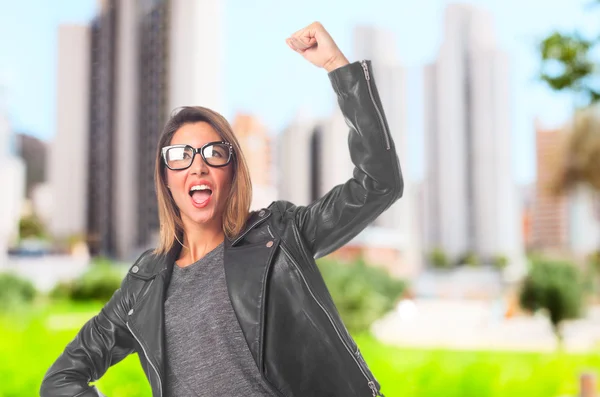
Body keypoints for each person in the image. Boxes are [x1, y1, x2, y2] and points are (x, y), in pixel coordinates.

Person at [40, 22, 403, 397]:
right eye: (180, 156)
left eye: (213, 153)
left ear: (232, 172)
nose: (197, 166)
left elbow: (379, 184)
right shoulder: (143, 285)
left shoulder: (279, 237)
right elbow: (62, 378)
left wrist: (335, 64)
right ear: (166, 178)